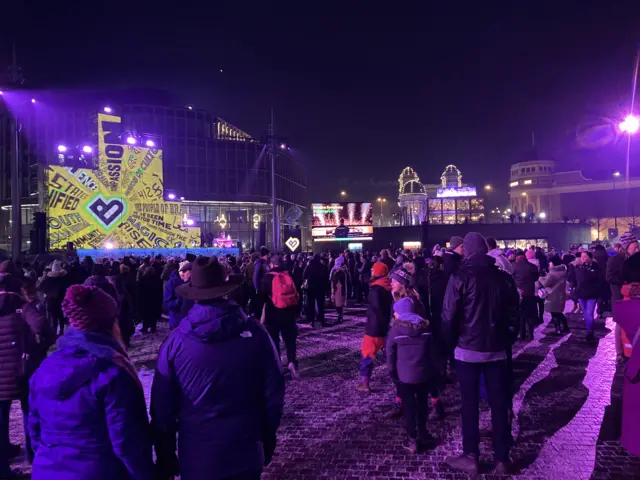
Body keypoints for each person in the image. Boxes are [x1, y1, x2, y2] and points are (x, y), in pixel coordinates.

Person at [151, 256, 284, 480]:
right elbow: (274, 393)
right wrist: (267, 439)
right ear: (226, 289)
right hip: (245, 451)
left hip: (197, 455)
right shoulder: (256, 333)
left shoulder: (175, 343)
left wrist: (165, 456)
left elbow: (162, 409)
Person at [29, 285, 154, 480]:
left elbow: (35, 429)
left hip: (47, 470)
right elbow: (127, 442)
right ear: (111, 323)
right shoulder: (113, 374)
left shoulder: (45, 368)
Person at [442, 232, 520, 476]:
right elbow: (514, 316)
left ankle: (471, 455)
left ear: (467, 251)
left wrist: (450, 345)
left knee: (470, 404)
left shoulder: (459, 277)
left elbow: (448, 317)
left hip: (467, 351)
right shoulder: (504, 279)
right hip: (496, 350)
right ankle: (501, 458)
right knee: (498, 404)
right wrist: (505, 340)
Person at [387, 297, 435, 454]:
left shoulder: (395, 330)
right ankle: (423, 434)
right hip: (424, 374)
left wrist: (392, 371)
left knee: (409, 407)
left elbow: (390, 353)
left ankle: (412, 439)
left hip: (404, 376)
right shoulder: (426, 328)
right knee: (422, 405)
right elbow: (432, 352)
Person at [262, 254, 300, 378]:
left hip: (273, 313)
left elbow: (262, 296)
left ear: (272, 264)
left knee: (274, 340)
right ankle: (292, 362)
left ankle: (278, 366)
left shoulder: (268, 277)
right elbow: (297, 293)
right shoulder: (289, 275)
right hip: (288, 312)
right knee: (290, 340)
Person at [356, 262, 393, 392]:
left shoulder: (376, 290)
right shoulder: (388, 287)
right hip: (384, 328)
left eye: (373, 270)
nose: (371, 272)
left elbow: (377, 310)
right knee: (390, 355)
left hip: (374, 328)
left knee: (367, 354)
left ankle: (365, 383)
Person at [607, 233, 639, 363]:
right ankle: (619, 353)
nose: (637, 250)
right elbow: (609, 277)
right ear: (626, 247)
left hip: (633, 296)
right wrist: (625, 282)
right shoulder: (615, 259)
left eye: (638, 247)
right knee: (620, 324)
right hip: (620, 296)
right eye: (634, 247)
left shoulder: (635, 260)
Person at [570, 251, 604, 341]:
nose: (583, 258)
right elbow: (572, 279)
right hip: (581, 294)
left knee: (589, 313)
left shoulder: (596, 267)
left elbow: (600, 280)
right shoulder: (578, 267)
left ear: (590, 257)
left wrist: (596, 289)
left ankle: (590, 332)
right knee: (586, 314)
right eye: (582, 256)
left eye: (585, 256)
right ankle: (590, 329)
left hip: (592, 294)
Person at [536, 256, 569, 334]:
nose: (549, 264)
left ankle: (558, 329)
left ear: (553, 264)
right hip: (560, 295)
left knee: (554, 313)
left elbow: (545, 283)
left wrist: (540, 277)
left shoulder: (552, 274)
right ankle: (565, 327)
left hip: (552, 296)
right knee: (558, 312)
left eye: (550, 263)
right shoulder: (562, 272)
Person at [37, 260, 70, 336]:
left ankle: (54, 333)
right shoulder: (63, 278)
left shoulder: (48, 278)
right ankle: (61, 331)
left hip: (50, 299)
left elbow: (39, 287)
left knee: (53, 317)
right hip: (61, 299)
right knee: (60, 315)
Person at [513, 249, 540, 340]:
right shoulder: (532, 266)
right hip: (530, 293)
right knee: (530, 314)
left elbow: (511, 279)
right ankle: (531, 333)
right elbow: (536, 278)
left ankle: (522, 334)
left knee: (521, 315)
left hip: (519, 294)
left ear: (518, 257)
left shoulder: (514, 266)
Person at [163, 261, 194, 330]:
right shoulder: (171, 283)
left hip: (191, 321)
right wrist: (180, 300)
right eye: (191, 272)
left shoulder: (192, 282)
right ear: (183, 272)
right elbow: (167, 304)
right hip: (177, 321)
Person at [303, 254, 329, 327]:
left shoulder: (309, 266)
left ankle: (312, 321)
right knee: (321, 305)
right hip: (320, 288)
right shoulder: (323, 266)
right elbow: (327, 278)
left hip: (311, 289)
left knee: (311, 305)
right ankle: (321, 320)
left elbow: (304, 276)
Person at [138, 266, 163, 334]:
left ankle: (145, 327)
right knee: (153, 313)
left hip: (145, 299)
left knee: (145, 313)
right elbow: (160, 289)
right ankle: (153, 327)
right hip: (154, 299)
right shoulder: (158, 279)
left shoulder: (142, 279)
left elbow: (139, 290)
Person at [330, 256, 350, 323]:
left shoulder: (341, 272)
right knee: (337, 304)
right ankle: (339, 317)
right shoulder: (337, 270)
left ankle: (340, 317)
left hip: (339, 289)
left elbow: (336, 281)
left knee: (339, 304)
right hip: (337, 289)